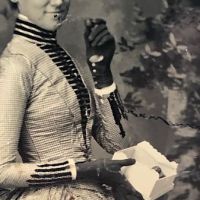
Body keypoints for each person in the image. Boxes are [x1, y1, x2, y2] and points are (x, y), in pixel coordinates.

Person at [0, 0, 144, 199]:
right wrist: (84, 170)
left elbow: (119, 145)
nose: (59, 2)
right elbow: (2, 172)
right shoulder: (16, 64)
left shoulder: (64, 57)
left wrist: (102, 73)